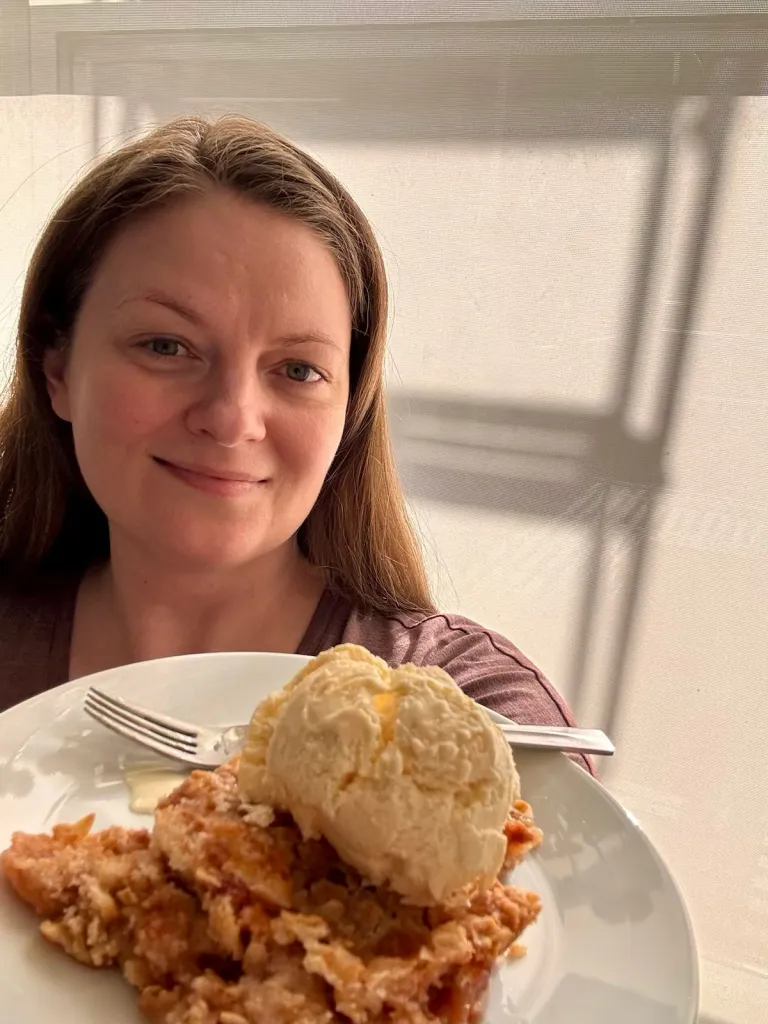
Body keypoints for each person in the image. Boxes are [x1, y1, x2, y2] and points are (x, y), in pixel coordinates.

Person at [0, 115, 591, 772]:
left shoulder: (476, 708)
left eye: (299, 370)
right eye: (166, 346)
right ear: (57, 370)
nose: (232, 419)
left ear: (349, 408)